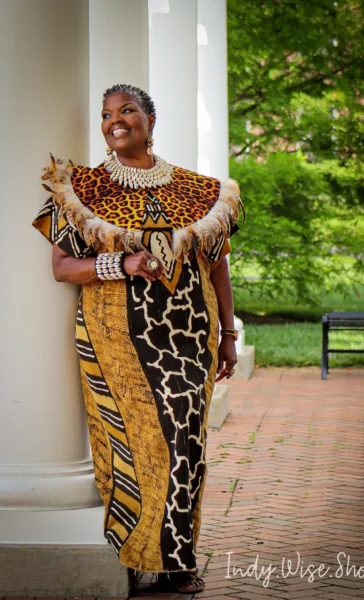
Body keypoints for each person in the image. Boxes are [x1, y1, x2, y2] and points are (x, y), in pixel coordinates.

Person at [32, 84, 243, 595]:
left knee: (186, 440)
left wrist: (227, 334)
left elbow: (218, 266)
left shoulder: (199, 190)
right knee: (132, 443)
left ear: (150, 120)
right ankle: (134, 552)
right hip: (117, 338)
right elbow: (63, 268)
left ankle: (176, 559)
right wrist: (121, 263)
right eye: (107, 114)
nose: (115, 121)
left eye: (127, 110)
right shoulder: (83, 188)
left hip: (190, 335)